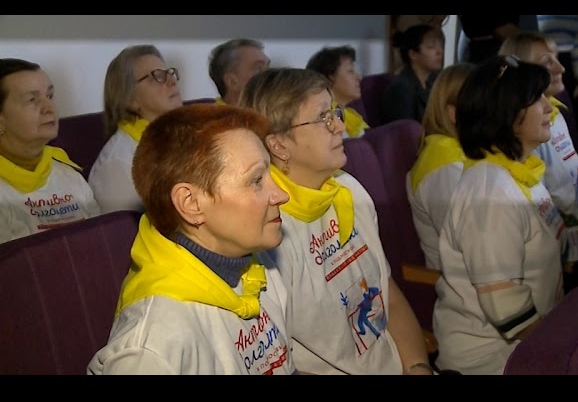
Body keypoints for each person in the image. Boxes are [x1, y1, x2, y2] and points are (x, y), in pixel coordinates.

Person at [239, 67, 432, 375]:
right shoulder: (266, 232)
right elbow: (277, 363)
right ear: (279, 145)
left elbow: (388, 293)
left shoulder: (348, 189)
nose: (340, 126)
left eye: (335, 113)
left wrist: (418, 367)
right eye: (322, 118)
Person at [87, 103, 296, 375]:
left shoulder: (257, 265)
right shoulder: (150, 351)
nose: (281, 195)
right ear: (191, 204)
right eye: (256, 180)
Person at [433, 55, 565, 375]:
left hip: (530, 337)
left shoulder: (519, 173)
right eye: (536, 99)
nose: (549, 107)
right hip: (493, 359)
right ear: (506, 113)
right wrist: (564, 348)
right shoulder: (491, 195)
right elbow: (506, 307)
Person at [499, 31, 578, 293]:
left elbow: (574, 187)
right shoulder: (527, 133)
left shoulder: (555, 115)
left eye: (557, 58)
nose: (561, 68)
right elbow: (544, 211)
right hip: (564, 254)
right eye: (547, 62)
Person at [0, 58, 100, 244]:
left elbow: (101, 240)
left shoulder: (69, 174)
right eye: (32, 99)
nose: (49, 108)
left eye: (50, 96)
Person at [88, 45, 183, 214]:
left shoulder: (184, 135)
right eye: (157, 76)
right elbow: (121, 228)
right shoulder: (118, 163)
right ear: (130, 99)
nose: (172, 81)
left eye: (169, 73)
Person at [406, 62, 473, 271]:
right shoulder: (444, 166)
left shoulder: (470, 150)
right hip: (463, 284)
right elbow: (472, 247)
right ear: (454, 114)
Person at [381, 24, 444, 125]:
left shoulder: (433, 81)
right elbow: (405, 130)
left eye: (440, 45)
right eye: (431, 46)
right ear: (413, 54)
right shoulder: (401, 88)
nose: (440, 51)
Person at [306, 45, 369, 138]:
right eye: (350, 71)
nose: (359, 78)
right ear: (330, 75)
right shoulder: (321, 121)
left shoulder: (351, 116)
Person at [208, 38, 270, 106]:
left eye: (268, 66)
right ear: (232, 81)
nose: (271, 74)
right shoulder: (210, 113)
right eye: (259, 68)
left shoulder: (270, 110)